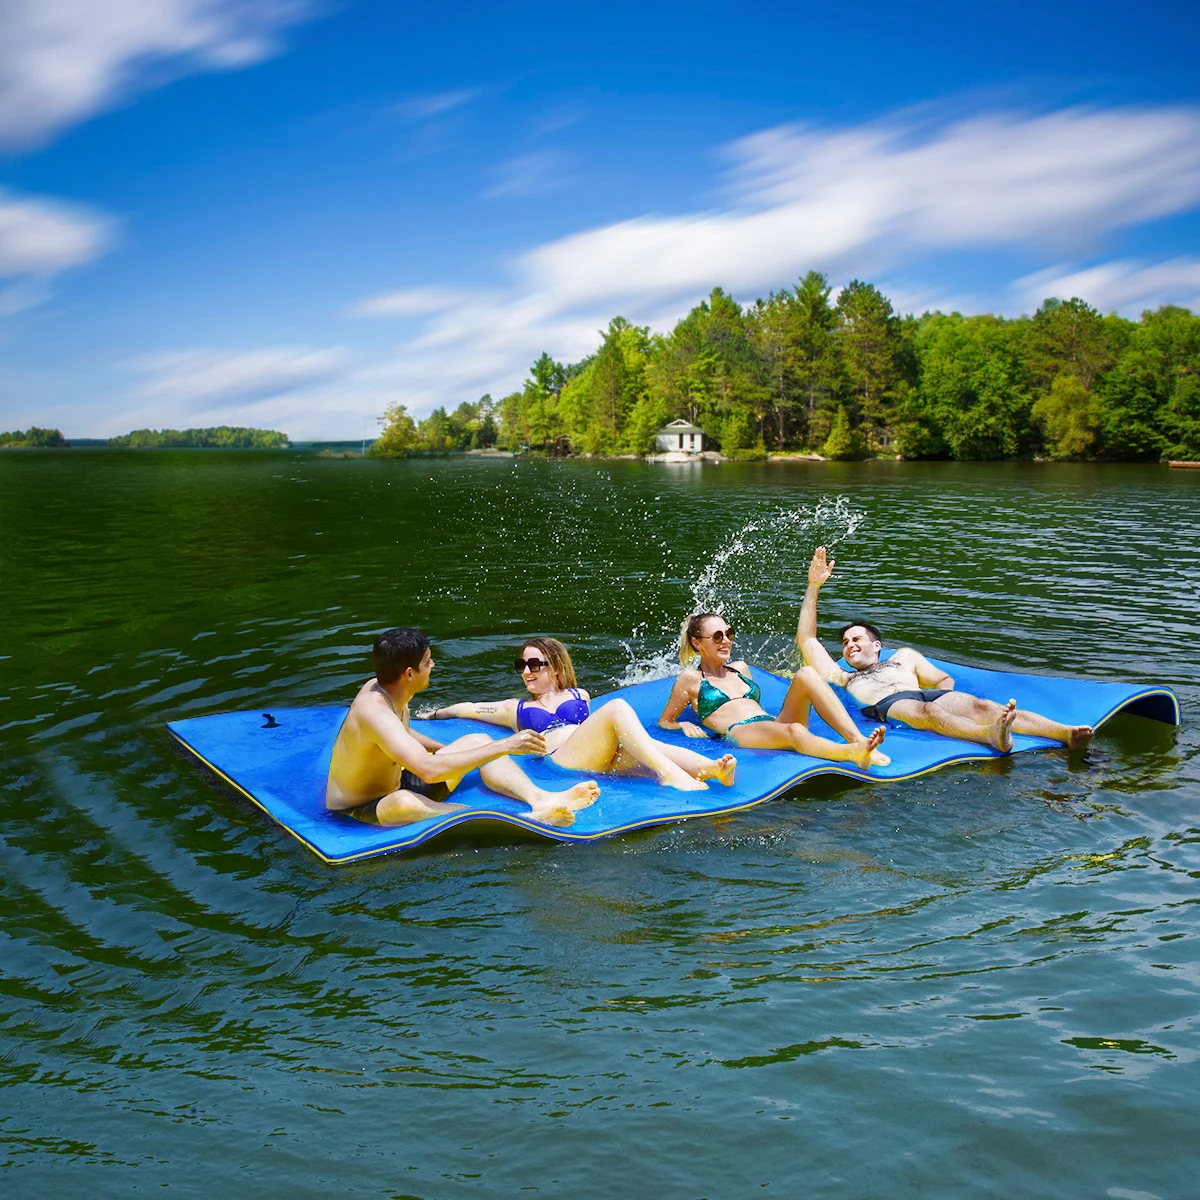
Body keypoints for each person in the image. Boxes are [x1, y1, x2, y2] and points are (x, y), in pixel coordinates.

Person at [797, 546, 1094, 752]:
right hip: (889, 703)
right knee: (928, 710)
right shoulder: (844, 677)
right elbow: (808, 641)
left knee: (985, 707)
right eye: (846, 642)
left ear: (877, 646)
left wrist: (949, 697)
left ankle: (1064, 733)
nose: (849, 645)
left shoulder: (904, 658)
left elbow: (940, 680)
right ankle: (987, 734)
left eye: (856, 638)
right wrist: (813, 587)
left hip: (930, 694)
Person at [326, 627, 600, 827]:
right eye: (427, 662)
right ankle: (515, 820)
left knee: (478, 741)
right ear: (409, 674)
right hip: (363, 807)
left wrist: (450, 750)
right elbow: (429, 771)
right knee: (404, 803)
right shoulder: (374, 711)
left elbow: (400, 733)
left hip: (400, 780)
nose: (432, 665)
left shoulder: (390, 690)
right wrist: (506, 745)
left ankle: (541, 800)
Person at [418, 636, 736, 791]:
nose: (526, 672)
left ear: (555, 668)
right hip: (561, 761)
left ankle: (711, 769)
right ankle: (670, 773)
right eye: (521, 666)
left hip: (597, 754)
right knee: (616, 709)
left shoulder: (578, 694)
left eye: (534, 665)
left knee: (646, 747)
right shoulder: (515, 708)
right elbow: (470, 709)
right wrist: (434, 714)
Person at [656, 614, 886, 770]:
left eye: (729, 634)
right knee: (794, 730)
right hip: (740, 733)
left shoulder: (740, 669)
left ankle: (858, 740)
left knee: (806, 673)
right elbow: (665, 721)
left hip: (770, 725)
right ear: (697, 643)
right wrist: (682, 724)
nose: (726, 641)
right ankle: (851, 753)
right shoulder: (691, 679)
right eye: (717, 637)